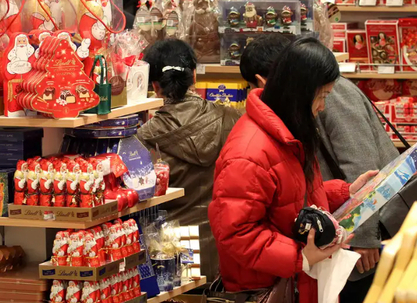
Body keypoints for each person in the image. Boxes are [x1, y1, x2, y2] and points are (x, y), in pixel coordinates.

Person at [209, 37, 378, 303]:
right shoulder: (249, 152)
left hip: (297, 282)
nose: (323, 106)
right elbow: (235, 233)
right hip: (268, 288)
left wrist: (345, 191)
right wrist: (300, 257)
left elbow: (294, 197)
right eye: (322, 96)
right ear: (299, 92)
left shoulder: (289, 133)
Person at [138, 39, 240, 281]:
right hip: (225, 249)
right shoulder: (232, 119)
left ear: (154, 85)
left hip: (167, 253)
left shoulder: (142, 139)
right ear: (194, 76)